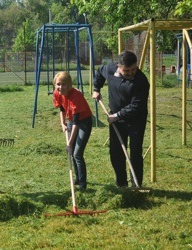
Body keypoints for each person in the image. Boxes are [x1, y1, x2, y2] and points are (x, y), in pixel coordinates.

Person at [92, 50, 149, 188]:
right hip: (116, 120)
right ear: (118, 66)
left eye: (133, 69)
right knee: (116, 152)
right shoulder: (110, 69)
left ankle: (136, 184)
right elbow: (100, 72)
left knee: (135, 152)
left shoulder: (141, 81)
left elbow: (136, 106)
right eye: (127, 70)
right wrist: (96, 88)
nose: (131, 73)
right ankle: (121, 183)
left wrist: (116, 116)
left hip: (136, 120)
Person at [53, 72, 93, 190]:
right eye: (58, 84)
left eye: (64, 84)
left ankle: (82, 184)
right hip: (71, 120)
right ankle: (77, 179)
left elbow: (76, 122)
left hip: (84, 122)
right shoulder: (57, 93)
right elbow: (61, 108)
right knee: (72, 153)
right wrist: (62, 123)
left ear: (69, 84)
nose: (61, 87)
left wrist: (69, 143)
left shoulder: (76, 96)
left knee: (77, 153)